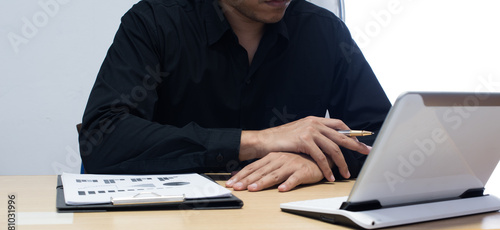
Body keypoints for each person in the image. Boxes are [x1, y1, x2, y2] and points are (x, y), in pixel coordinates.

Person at [79, 0, 392, 192]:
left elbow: (383, 134)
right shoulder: (153, 22)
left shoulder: (324, 31)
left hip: (287, 228)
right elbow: (104, 139)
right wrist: (256, 141)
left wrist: (315, 162)